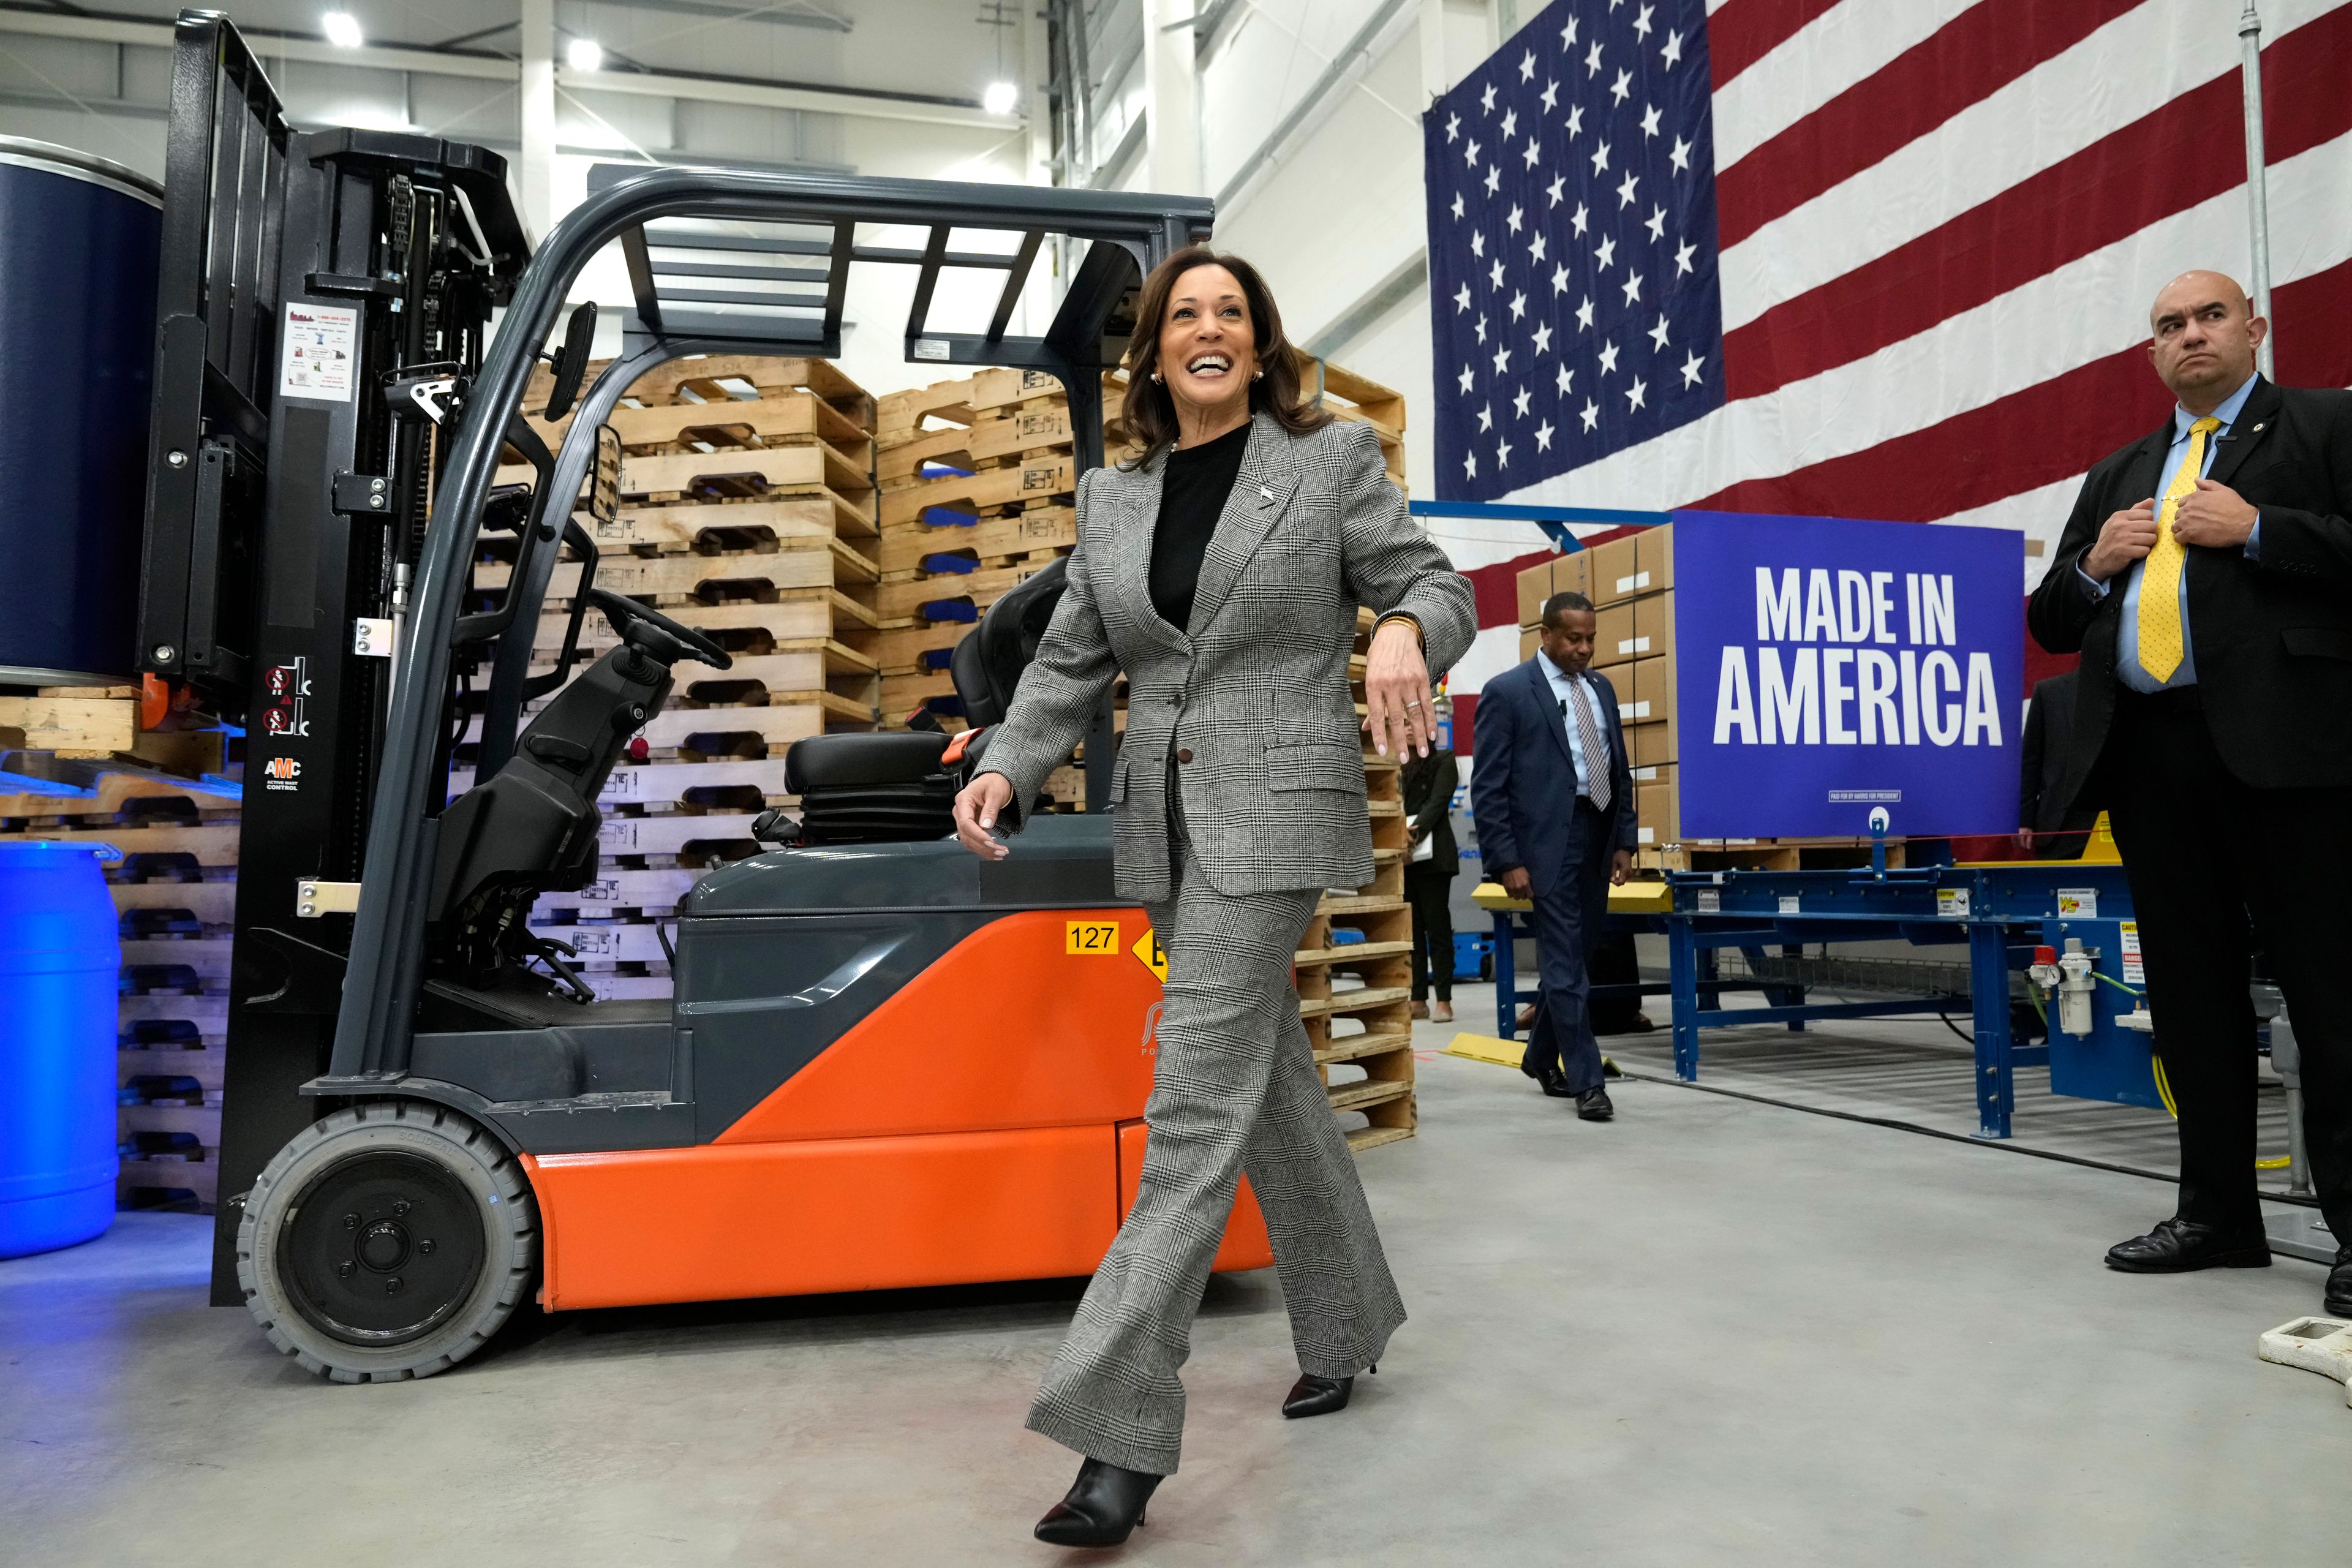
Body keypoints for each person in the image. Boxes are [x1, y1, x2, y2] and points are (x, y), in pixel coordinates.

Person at [951, 245, 1475, 1547]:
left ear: (1260, 341)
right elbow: (1073, 658)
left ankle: (1116, 1433)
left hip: (1276, 811)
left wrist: (1404, 625)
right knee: (1269, 1078)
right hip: (1166, 826)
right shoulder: (1114, 497)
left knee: (1190, 1102)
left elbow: (1436, 583)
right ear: (1155, 352)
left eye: (1230, 313)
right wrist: (1008, 765)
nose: (1208, 329)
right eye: (1185, 313)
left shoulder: (1328, 459)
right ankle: (1349, 1321)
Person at [2026, 269, 2352, 1319]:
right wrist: (2094, 565)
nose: (2190, 336)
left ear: (2254, 329)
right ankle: (2218, 1215)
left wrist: (2257, 530)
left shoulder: (2324, 427)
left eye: (2211, 317)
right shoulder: (2122, 470)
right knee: (2191, 1001)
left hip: (2293, 757)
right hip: (2152, 760)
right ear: (2153, 353)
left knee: (2332, 996)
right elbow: (2050, 621)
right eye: (2169, 325)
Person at [1468, 590, 1636, 1122]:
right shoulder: (1509, 693)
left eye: (1590, 639)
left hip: (1596, 835)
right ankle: (1588, 1082)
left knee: (1575, 958)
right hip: (1544, 847)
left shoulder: (1602, 689)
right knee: (1564, 964)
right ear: (1545, 635)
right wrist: (1506, 859)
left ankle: (1539, 1056)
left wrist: (1625, 841)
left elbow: (1619, 771)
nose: (1584, 649)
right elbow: (1488, 787)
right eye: (1573, 638)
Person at [1401, 732, 1460, 1024]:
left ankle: (1444, 999)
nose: (1410, 728)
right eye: (1404, 721)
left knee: (1437, 928)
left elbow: (1438, 803)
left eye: (1415, 721)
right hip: (1403, 857)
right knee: (1411, 931)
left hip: (1433, 856)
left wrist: (1411, 836)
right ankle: (1418, 998)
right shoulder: (1396, 763)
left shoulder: (1444, 760)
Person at [2016, 670, 2098, 859]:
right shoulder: (2049, 692)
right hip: (2057, 829)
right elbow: (2031, 762)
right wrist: (2024, 820)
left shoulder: (2132, 692)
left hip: (2116, 829)